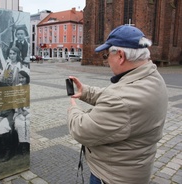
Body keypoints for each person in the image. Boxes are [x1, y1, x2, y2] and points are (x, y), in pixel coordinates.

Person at [67, 25, 168, 184]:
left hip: (110, 177)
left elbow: (81, 129)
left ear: (120, 55)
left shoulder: (121, 99)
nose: (107, 60)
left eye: (107, 55)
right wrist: (85, 91)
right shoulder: (153, 78)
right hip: (134, 171)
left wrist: (73, 107)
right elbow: (115, 97)